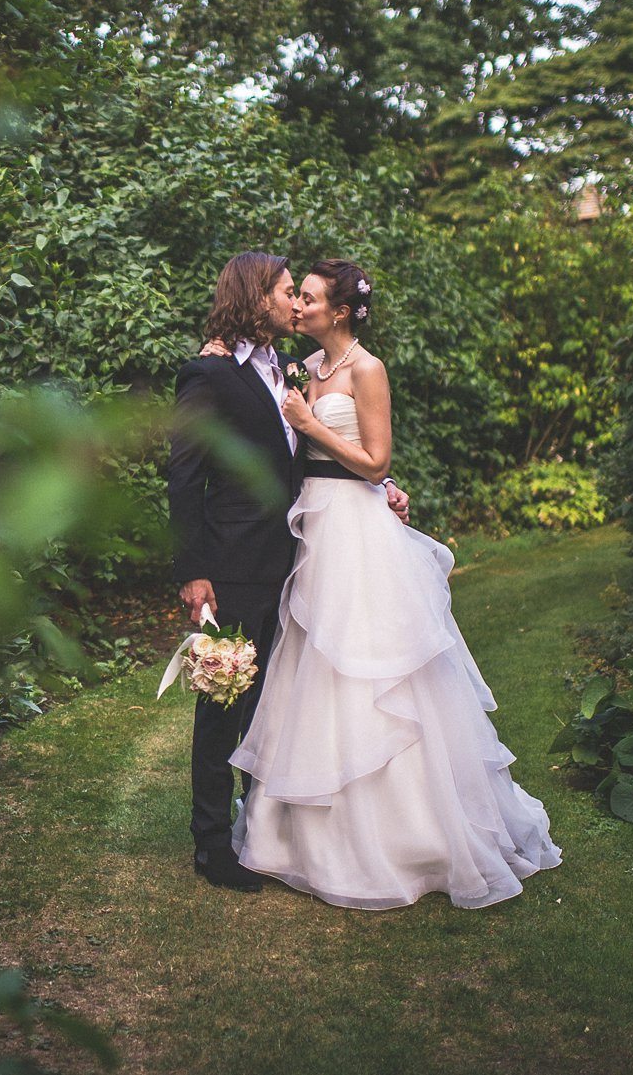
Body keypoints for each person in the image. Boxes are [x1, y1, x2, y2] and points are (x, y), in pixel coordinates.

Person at [224, 258, 562, 908]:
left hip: (357, 534)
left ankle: (408, 834)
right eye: (300, 298)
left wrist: (316, 428)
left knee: (374, 671)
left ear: (342, 310)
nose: (300, 307)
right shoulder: (304, 368)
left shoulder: (366, 369)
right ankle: (294, 834)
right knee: (310, 667)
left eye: (312, 298)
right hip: (312, 529)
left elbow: (377, 458)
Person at [166, 252, 410, 890]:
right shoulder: (207, 375)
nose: (293, 302)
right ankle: (212, 847)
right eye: (284, 291)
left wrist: (379, 487)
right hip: (234, 564)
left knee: (276, 705)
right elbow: (185, 479)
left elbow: (307, 457)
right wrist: (193, 572)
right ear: (257, 299)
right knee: (224, 704)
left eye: (300, 294)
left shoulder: (288, 369)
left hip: (297, 555)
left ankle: (265, 832)